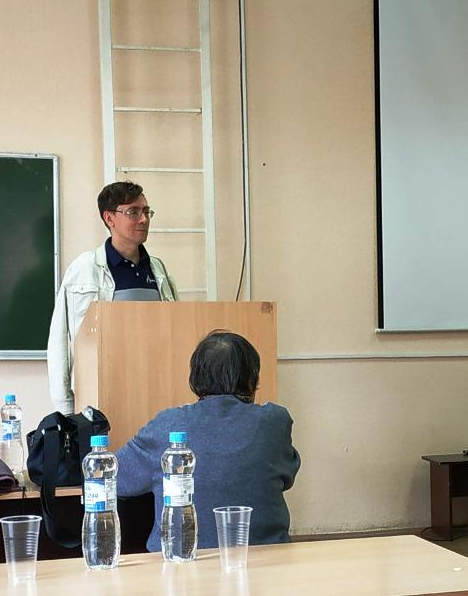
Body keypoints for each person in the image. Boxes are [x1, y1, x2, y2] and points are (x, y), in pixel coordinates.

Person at [116, 331, 301, 552]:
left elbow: (115, 478)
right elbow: (287, 475)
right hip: (267, 561)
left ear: (195, 379)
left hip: (183, 563)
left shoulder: (167, 425)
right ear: (253, 379)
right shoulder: (275, 421)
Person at [47, 181, 178, 414]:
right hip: (101, 392)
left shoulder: (158, 269)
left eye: (146, 211)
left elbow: (175, 330)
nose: (143, 219)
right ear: (109, 218)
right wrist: (65, 406)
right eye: (133, 212)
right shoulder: (84, 269)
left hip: (156, 388)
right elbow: (60, 340)